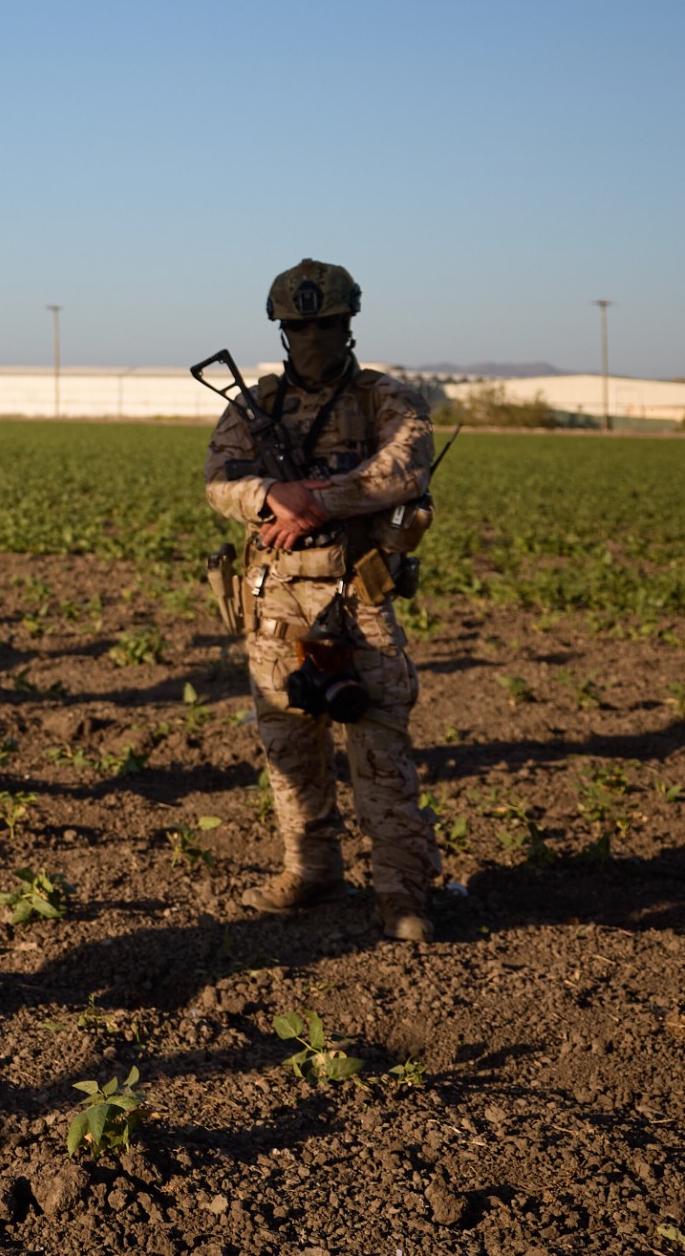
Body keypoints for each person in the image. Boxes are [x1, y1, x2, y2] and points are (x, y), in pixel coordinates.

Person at [205, 259, 440, 942]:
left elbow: (404, 465)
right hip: (274, 603)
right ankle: (311, 868)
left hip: (357, 602)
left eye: (326, 323)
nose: (313, 335)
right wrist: (266, 496)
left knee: (380, 757)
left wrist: (317, 503)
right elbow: (219, 480)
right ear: (282, 329)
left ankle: (402, 891)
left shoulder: (382, 398)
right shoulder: (258, 403)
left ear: (348, 323)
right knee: (289, 753)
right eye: (299, 325)